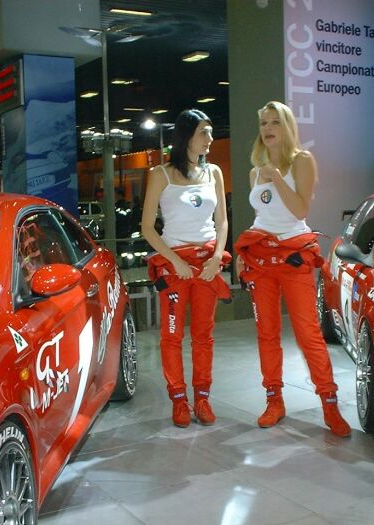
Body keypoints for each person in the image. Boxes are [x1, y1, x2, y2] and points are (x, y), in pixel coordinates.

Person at [235, 100, 351, 437]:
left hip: (295, 258)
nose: (268, 129)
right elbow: (263, 215)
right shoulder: (255, 170)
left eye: (275, 122)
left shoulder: (302, 160)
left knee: (308, 333)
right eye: (263, 123)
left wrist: (276, 178)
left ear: (287, 127)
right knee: (266, 334)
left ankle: (329, 403)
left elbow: (300, 207)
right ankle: (274, 400)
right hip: (262, 261)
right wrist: (248, 249)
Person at [142, 109, 231, 428]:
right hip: (175, 266)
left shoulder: (215, 173)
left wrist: (217, 257)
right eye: (204, 133)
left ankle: (203, 399)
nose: (210, 139)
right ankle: (179, 401)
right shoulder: (160, 174)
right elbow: (147, 228)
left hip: (207, 264)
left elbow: (222, 221)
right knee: (171, 335)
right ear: (186, 137)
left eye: (210, 132)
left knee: (204, 336)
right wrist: (176, 261)